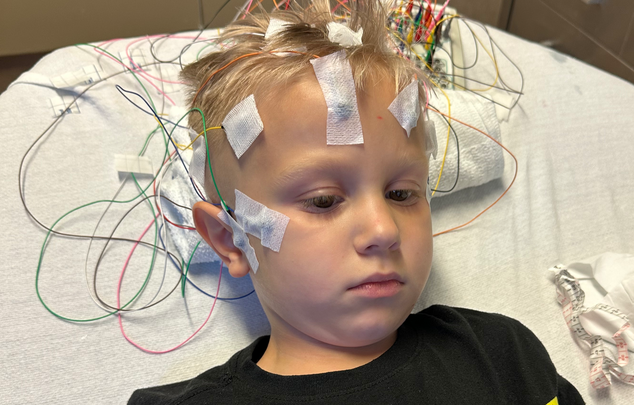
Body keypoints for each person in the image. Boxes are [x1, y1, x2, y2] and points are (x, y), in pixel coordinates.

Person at [129, 1, 584, 403]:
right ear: (230, 239)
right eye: (324, 201)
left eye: (402, 194)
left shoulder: (501, 354)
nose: (383, 230)